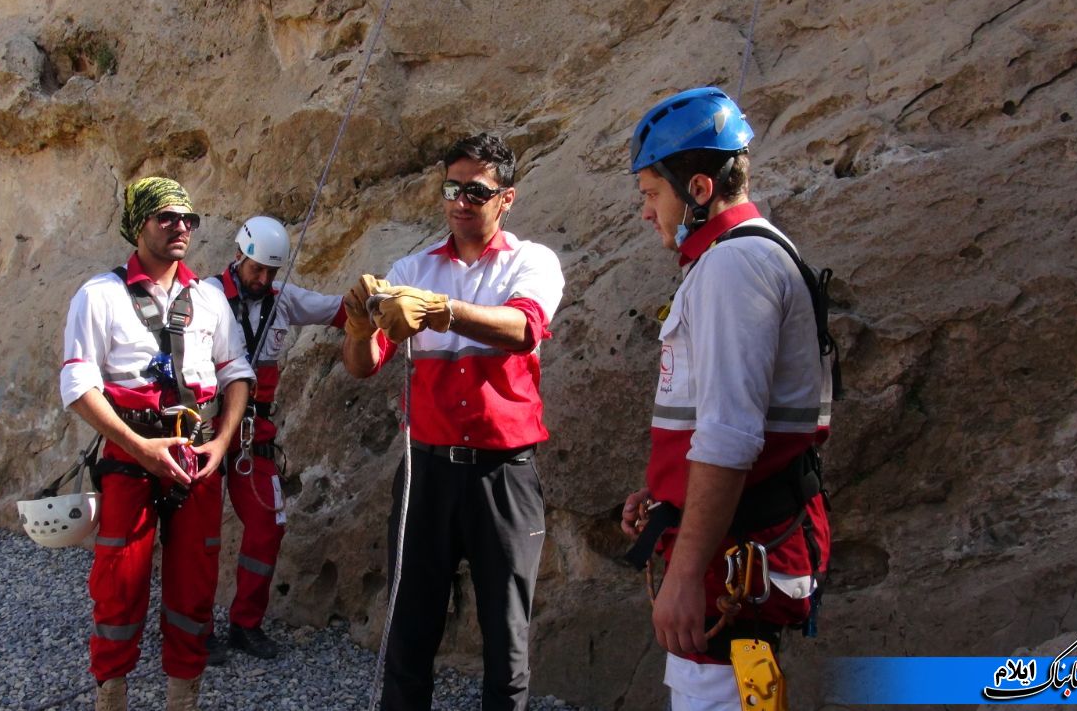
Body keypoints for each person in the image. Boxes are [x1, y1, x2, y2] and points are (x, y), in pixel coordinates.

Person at [618, 87, 833, 711]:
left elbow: (729, 437)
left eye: (651, 194)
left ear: (698, 189)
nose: (646, 213)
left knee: (713, 695)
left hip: (731, 556)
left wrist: (686, 574)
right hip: (739, 538)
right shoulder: (744, 255)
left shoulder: (733, 267)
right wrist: (667, 491)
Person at [342, 133, 565, 711]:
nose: (461, 201)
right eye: (451, 188)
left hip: (503, 475)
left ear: (506, 198)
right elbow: (364, 366)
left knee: (507, 643)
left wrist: (443, 311)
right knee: (409, 635)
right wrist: (359, 328)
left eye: (476, 191)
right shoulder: (411, 268)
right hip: (427, 473)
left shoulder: (532, 261)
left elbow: (524, 329)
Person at [59, 177, 254, 711]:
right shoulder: (100, 295)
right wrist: (137, 447)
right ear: (138, 224)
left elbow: (237, 372)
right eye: (167, 217)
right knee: (118, 581)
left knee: (195, 582)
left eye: (189, 219)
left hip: (197, 454)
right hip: (130, 454)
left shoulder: (208, 297)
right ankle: (111, 694)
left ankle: (182, 698)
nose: (181, 227)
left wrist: (222, 442)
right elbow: (78, 384)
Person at [201, 215, 345, 662]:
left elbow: (339, 310)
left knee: (269, 525)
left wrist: (377, 303)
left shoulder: (283, 300)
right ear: (238, 257)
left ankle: (246, 625)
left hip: (253, 435)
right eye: (256, 269)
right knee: (199, 535)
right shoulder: (205, 296)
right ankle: (194, 629)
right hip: (206, 430)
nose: (263, 279)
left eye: (271, 271)